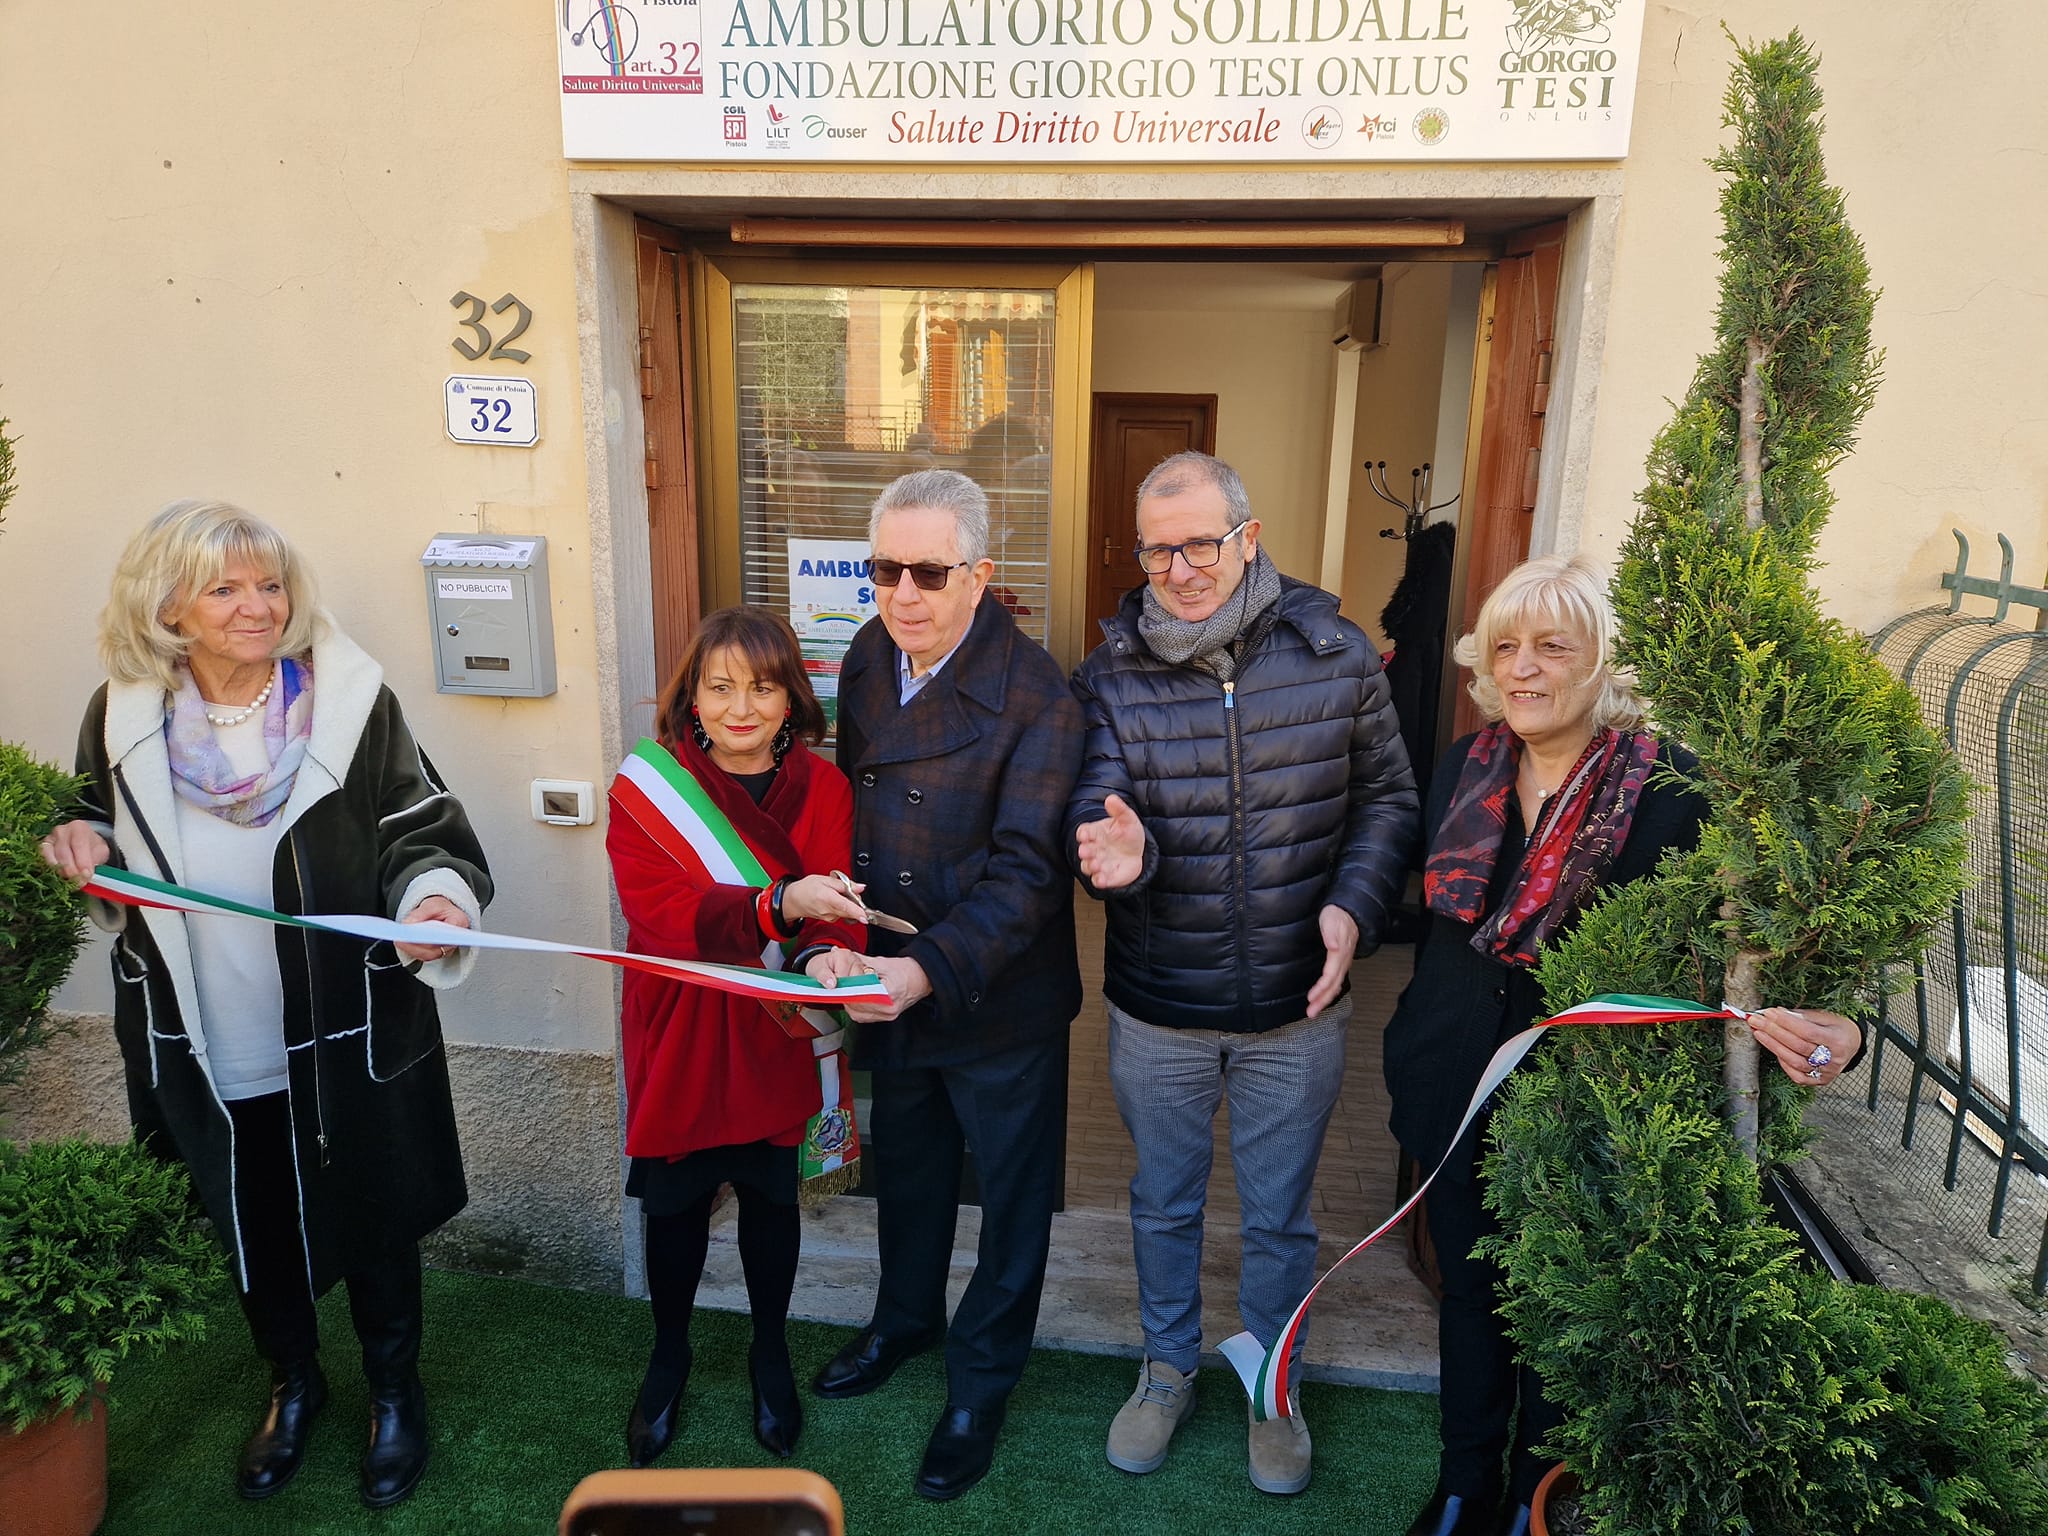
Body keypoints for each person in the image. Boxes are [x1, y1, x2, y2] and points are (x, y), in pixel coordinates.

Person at [1381, 553, 1865, 1536]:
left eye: (1552, 646)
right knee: (1469, 1288)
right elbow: (1439, 930)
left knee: (1568, 1305)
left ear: (1602, 661)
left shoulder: (1674, 791)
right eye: (1505, 647)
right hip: (1454, 1079)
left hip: (1589, 1096)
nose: (1522, 668)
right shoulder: (1464, 768)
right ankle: (1464, 1482)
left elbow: (1760, 947)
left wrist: (1838, 1029)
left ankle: (1533, 1494)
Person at [39, 499, 492, 1510]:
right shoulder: (121, 714)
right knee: (248, 1214)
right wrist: (80, 840)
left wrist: (433, 898)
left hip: (342, 1022)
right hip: (203, 1027)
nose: (258, 606)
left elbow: (422, 823)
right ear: (168, 608)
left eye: (271, 584)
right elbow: (87, 815)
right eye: (226, 588)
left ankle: (393, 1392)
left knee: (372, 1208)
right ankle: (293, 1383)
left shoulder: (350, 702)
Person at [1064, 450, 1420, 1496]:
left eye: (1199, 545)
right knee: (1163, 1204)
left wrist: (1354, 907)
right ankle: (1166, 1367)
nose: (1178, 570)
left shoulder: (1336, 653)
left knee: (1278, 1218)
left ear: (1248, 538)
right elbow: (1097, 803)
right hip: (1158, 1007)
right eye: (1156, 551)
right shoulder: (1110, 674)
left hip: (1296, 1007)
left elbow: (1389, 800)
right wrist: (1119, 855)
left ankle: (1272, 1383)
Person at [804, 468, 1086, 1501]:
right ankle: (902, 1320)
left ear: (979, 575)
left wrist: (924, 969)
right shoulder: (868, 654)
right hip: (885, 970)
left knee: (1010, 1201)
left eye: (928, 572)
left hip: (990, 991)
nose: (903, 592)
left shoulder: (1039, 694)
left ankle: (980, 1383)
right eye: (885, 569)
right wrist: (838, 935)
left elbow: (1029, 876)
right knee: (911, 1171)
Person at [604, 605, 871, 1467]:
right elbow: (658, 912)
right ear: (693, 696)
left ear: (792, 697)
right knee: (676, 1204)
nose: (741, 708)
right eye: (720, 688)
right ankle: (668, 1356)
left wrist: (827, 951)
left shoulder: (824, 789)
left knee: (771, 1199)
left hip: (778, 1025)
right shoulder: (647, 788)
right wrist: (776, 903)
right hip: (685, 1018)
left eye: (762, 687)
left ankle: (769, 1352)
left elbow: (832, 910)